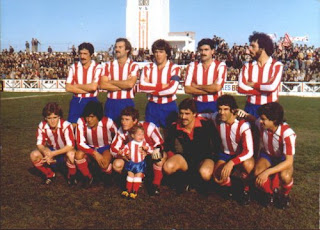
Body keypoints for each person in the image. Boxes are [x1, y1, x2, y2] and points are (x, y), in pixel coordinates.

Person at [200, 95, 255, 205]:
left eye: (225, 109)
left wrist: (232, 162)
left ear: (233, 110)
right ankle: (231, 187)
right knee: (218, 178)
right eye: (220, 109)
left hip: (240, 155)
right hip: (225, 154)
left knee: (248, 165)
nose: (222, 112)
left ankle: (246, 190)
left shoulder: (243, 125)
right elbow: (204, 115)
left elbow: (249, 151)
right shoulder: (217, 118)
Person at [163, 98, 220, 194]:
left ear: (194, 114)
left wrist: (215, 162)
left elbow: (216, 144)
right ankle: (184, 179)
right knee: (168, 167)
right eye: (181, 113)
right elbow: (168, 146)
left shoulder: (206, 124)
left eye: (187, 114)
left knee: (205, 173)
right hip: (185, 159)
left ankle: (196, 182)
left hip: (204, 158)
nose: (183, 117)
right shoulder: (175, 126)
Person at [110, 106, 164, 195]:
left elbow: (160, 143)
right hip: (132, 160)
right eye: (122, 119)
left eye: (127, 119)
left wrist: (148, 152)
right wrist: (123, 155)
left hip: (148, 156)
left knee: (158, 157)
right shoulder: (121, 130)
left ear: (135, 121)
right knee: (117, 164)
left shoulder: (148, 127)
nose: (123, 122)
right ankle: (131, 180)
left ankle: (155, 184)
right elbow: (113, 148)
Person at [252, 102, 295, 209]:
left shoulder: (287, 133)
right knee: (257, 172)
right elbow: (252, 119)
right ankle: (269, 193)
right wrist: (243, 113)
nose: (260, 121)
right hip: (267, 155)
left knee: (285, 177)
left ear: (274, 120)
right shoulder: (262, 124)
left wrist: (267, 172)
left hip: (283, 159)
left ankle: (285, 195)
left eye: (263, 119)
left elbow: (289, 161)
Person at [139, 39, 181, 133]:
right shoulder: (147, 68)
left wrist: (150, 86)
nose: (158, 55)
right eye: (156, 52)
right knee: (150, 137)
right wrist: (162, 86)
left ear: (167, 53)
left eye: (161, 52)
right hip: (152, 106)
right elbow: (141, 86)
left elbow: (172, 89)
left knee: (170, 137)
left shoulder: (174, 68)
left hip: (169, 106)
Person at [238, 32, 283, 118]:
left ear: (262, 48)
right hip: (250, 108)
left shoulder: (276, 65)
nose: (249, 49)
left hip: (270, 109)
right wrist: (265, 89)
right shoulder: (247, 66)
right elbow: (241, 88)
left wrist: (252, 84)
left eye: (253, 46)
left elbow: (272, 87)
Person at [30, 102, 77, 185]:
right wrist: (45, 152)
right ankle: (50, 174)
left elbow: (70, 146)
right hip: (52, 151)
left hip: (64, 152)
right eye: (49, 118)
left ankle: (71, 176)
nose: (52, 121)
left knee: (71, 154)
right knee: (34, 155)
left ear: (59, 116)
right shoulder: (42, 125)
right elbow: (39, 144)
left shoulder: (66, 125)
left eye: (55, 117)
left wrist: (52, 154)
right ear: (45, 118)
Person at [75, 101, 117, 188]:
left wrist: (110, 152)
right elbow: (79, 143)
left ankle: (108, 175)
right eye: (87, 116)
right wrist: (95, 153)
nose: (89, 120)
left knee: (104, 164)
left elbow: (117, 137)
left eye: (92, 117)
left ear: (98, 116)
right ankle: (88, 177)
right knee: (78, 155)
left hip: (105, 148)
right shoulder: (81, 121)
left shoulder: (108, 122)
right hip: (90, 148)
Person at [100, 38, 139, 126]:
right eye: (116, 47)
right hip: (111, 103)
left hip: (127, 102)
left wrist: (110, 81)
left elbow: (130, 84)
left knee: (127, 131)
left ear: (127, 50)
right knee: (110, 131)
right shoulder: (108, 65)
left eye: (120, 47)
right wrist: (124, 84)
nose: (117, 49)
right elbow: (102, 85)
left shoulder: (133, 65)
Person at [184, 38, 227, 113]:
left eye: (206, 49)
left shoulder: (220, 66)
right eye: (201, 50)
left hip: (215, 104)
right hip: (197, 104)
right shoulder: (192, 66)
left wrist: (197, 86)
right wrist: (211, 90)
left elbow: (217, 87)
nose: (203, 52)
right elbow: (187, 89)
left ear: (212, 51)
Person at [65, 42, 102, 128]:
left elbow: (93, 87)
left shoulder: (97, 67)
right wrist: (88, 88)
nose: (82, 56)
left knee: (91, 128)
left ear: (91, 55)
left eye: (85, 54)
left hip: (92, 101)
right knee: (73, 127)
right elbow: (68, 87)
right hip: (76, 101)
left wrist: (76, 85)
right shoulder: (74, 67)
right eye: (80, 53)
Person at [119, 124, 153, 199]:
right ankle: (127, 190)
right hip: (131, 163)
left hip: (140, 164)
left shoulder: (144, 144)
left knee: (138, 176)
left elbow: (151, 150)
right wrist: (126, 153)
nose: (141, 136)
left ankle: (134, 191)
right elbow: (124, 150)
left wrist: (146, 149)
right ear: (133, 135)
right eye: (139, 134)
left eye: (142, 134)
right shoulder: (130, 144)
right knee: (130, 175)